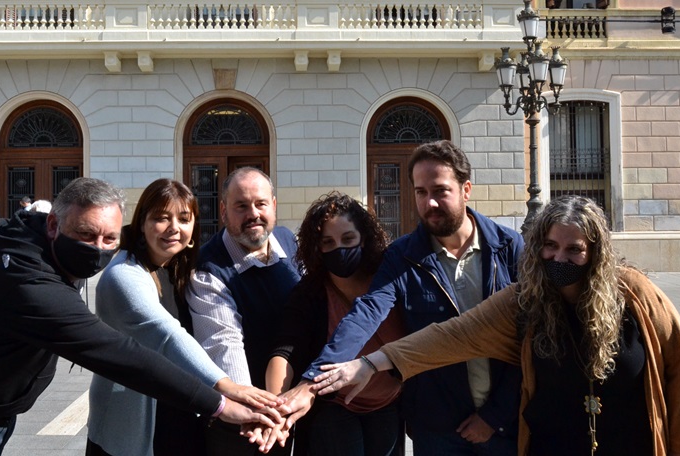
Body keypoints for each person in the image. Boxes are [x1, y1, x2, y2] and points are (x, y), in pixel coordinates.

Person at [0, 177, 280, 456]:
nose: (98, 249)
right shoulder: (31, 284)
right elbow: (124, 350)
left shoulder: (45, 249)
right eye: (86, 235)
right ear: (54, 225)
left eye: (108, 239)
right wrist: (223, 398)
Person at [313, 195, 680, 456]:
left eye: (574, 249)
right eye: (550, 247)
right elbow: (453, 335)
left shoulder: (634, 293)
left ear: (596, 253)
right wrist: (369, 364)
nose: (559, 257)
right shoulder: (524, 301)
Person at [278, 140, 525, 456]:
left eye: (440, 191)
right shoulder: (402, 256)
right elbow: (366, 313)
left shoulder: (510, 248)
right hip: (437, 429)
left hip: (503, 426)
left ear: (466, 189)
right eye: (421, 192)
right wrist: (312, 381)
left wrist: (495, 416)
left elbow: (528, 338)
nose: (429, 203)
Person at [87, 178, 279, 456]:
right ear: (142, 223)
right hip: (134, 427)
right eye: (161, 218)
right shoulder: (124, 275)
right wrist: (229, 389)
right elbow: (167, 335)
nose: (174, 228)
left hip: (181, 414)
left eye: (184, 218)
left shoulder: (179, 268)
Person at [264, 192, 408, 455]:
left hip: (387, 403)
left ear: (364, 238)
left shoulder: (388, 282)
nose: (338, 249)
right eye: (328, 242)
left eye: (348, 239)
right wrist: (278, 407)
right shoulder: (311, 292)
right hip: (335, 405)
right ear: (316, 247)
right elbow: (286, 349)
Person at [187, 167, 302, 456]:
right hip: (240, 421)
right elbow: (224, 343)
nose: (253, 213)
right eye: (241, 206)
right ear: (224, 211)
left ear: (273, 206)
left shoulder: (289, 242)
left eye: (261, 204)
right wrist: (256, 412)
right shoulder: (208, 269)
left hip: (290, 404)